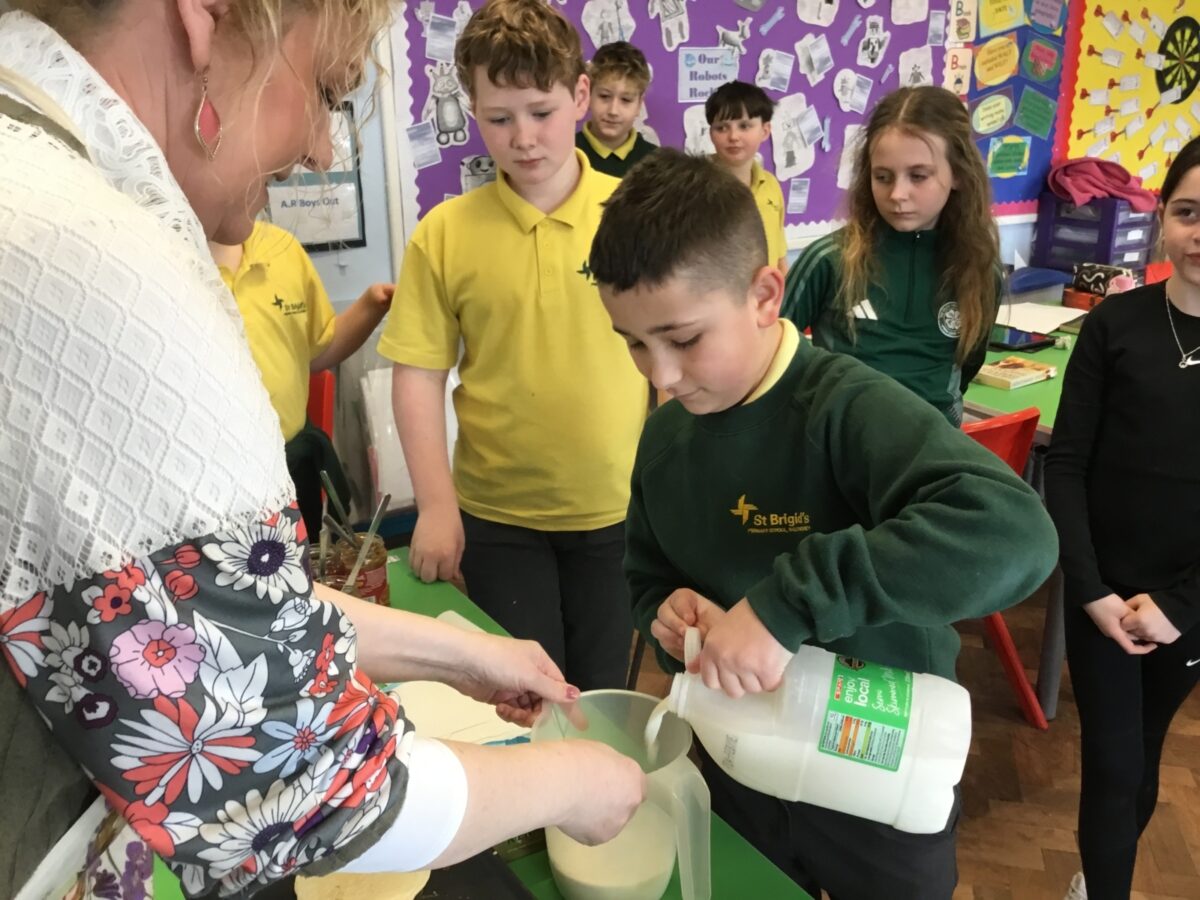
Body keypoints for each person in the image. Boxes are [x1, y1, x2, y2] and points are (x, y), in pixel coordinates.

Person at [0, 2, 645, 897]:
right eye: (327, 91)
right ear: (203, 20)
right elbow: (296, 780)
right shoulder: (82, 248)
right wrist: (575, 780)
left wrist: (458, 653)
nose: (319, 149)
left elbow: (208, 625)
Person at [589, 148, 1059, 900]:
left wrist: (785, 607)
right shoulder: (666, 439)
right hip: (738, 773)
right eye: (634, 343)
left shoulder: (848, 409)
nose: (661, 375)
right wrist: (666, 615)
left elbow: (1017, 534)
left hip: (877, 781)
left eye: (684, 339)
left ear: (765, 294)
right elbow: (647, 573)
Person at [380, 0, 648, 690]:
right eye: (499, 119)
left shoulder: (635, 216)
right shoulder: (444, 233)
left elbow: (674, 368)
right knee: (522, 696)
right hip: (497, 518)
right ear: (472, 112)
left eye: (541, 112)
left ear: (580, 97)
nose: (523, 138)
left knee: (601, 692)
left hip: (619, 512)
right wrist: (435, 506)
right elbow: (417, 375)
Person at [1045, 139, 1200, 900]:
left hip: (1188, 606)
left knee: (1142, 752)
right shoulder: (1115, 324)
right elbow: (1067, 465)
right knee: (1111, 762)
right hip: (1102, 595)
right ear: (1162, 217)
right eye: (1188, 212)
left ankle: (1102, 874)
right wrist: (1091, 590)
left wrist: (1181, 607)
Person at [781, 85, 1001, 426]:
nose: (897, 194)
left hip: (936, 443)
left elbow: (966, 366)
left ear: (957, 173)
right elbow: (766, 359)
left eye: (918, 176)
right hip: (839, 441)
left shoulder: (981, 271)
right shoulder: (828, 261)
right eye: (882, 177)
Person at [210, 222, 393, 539]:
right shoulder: (158, 251)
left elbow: (315, 353)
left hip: (292, 467)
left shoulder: (280, 246)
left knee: (302, 561)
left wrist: (370, 306)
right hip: (216, 479)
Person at [705, 79, 788, 273]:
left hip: (765, 289)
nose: (733, 136)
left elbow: (779, 257)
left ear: (765, 131)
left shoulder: (771, 186)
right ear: (711, 133)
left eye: (744, 126)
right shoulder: (695, 187)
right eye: (722, 128)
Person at [574, 40, 657, 179]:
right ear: (588, 95)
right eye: (604, 96)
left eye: (626, 100)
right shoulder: (567, 153)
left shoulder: (656, 163)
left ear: (639, 104)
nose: (613, 111)